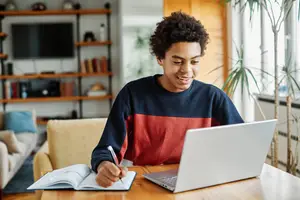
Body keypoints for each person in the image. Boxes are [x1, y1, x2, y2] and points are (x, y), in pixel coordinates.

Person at [91, 11, 244, 187]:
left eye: (194, 62)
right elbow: (105, 150)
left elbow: (241, 145)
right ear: (160, 59)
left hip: (198, 184)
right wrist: (104, 166)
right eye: (178, 62)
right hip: (143, 184)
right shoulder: (132, 95)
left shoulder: (213, 98)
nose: (187, 70)